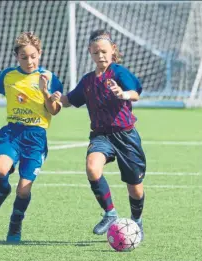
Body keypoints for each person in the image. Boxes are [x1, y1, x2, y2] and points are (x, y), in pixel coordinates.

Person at [51, 29, 146, 241]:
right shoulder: (87, 81)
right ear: (90, 53)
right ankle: (110, 213)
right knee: (92, 168)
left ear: (113, 50)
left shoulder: (119, 73)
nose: (100, 56)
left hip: (126, 136)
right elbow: (70, 100)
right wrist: (56, 98)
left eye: (104, 51)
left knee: (135, 189)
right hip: (101, 135)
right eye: (96, 53)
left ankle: (137, 221)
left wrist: (123, 94)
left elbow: (135, 93)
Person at [0, 32, 63, 243]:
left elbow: (54, 110)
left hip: (36, 137)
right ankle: (2, 192)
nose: (29, 61)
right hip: (12, 132)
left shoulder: (49, 77)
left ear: (40, 53)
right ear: (16, 57)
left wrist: (46, 92)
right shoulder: (8, 75)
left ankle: (15, 225)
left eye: (33, 56)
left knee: (23, 189)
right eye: (24, 57)